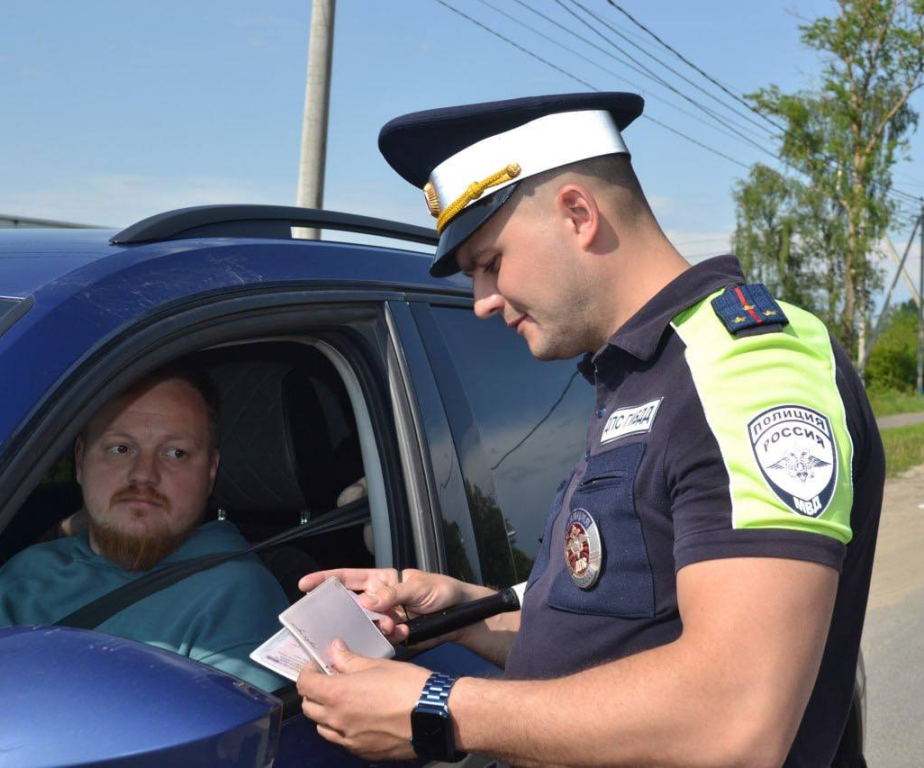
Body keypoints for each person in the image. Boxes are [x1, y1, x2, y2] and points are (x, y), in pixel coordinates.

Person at [295, 92, 883, 766]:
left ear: (578, 213)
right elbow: (621, 636)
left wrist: (437, 710)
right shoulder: (638, 375)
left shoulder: (747, 369)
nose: (482, 301)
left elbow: (737, 717)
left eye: (489, 262)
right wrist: (464, 612)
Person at [0, 364, 290, 691]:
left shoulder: (234, 593)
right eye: (121, 448)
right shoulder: (25, 573)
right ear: (80, 461)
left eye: (176, 454)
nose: (144, 474)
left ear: (211, 472)